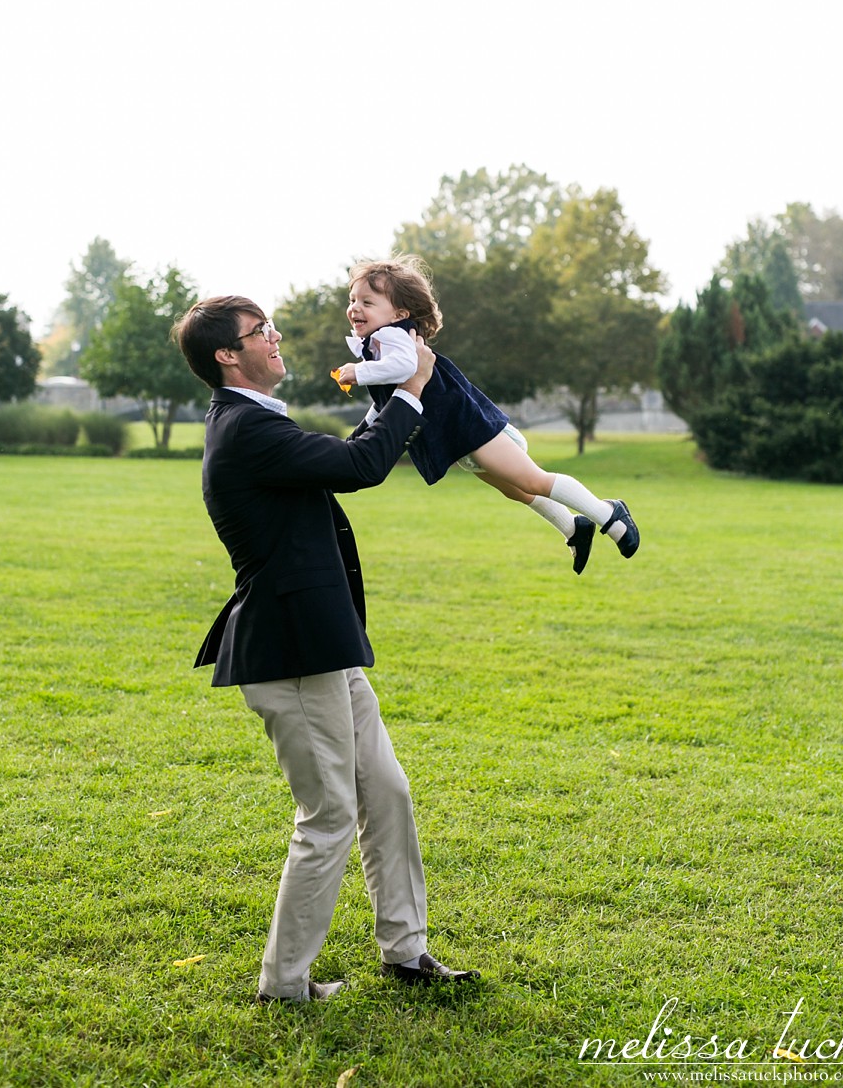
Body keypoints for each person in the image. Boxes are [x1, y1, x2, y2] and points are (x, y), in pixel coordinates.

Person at [172, 295, 479, 1004]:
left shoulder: (256, 423)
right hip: (292, 652)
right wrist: (408, 388)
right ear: (227, 355)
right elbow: (364, 466)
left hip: (323, 644)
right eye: (260, 332)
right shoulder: (244, 428)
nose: (275, 337)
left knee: (388, 793)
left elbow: (347, 456)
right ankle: (283, 984)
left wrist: (391, 393)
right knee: (332, 813)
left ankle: (406, 953)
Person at [332, 255, 640, 575]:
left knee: (532, 479)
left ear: (400, 313)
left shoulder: (396, 336)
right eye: (352, 299)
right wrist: (363, 429)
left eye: (368, 301)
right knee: (515, 489)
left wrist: (360, 371)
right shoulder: (378, 346)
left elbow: (407, 367)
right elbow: (389, 398)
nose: (355, 308)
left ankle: (609, 514)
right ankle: (574, 527)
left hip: (469, 426)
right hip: (458, 436)